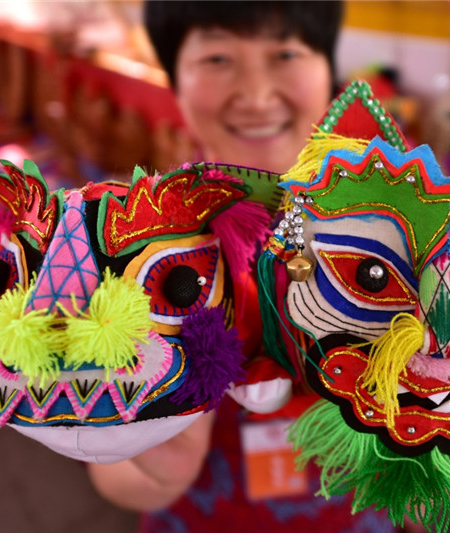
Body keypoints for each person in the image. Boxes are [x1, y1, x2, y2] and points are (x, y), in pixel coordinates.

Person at [87, 2, 398, 531]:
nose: (255, 94)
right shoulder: (136, 240)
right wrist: (158, 467)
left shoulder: (398, 229)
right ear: (175, 78)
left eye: (284, 52)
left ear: (328, 67)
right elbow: (110, 472)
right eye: (216, 58)